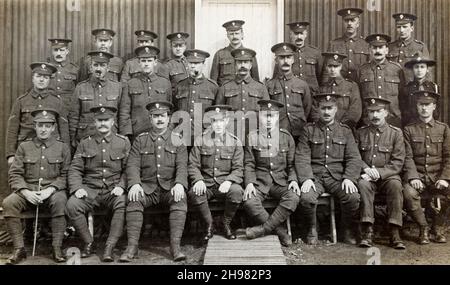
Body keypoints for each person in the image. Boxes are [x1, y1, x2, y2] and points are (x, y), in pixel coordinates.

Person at [120, 101, 188, 262]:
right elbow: (133, 164)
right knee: (134, 199)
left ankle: (175, 247)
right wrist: (135, 183)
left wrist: (179, 183)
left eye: (162, 116)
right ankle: (132, 247)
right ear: (150, 119)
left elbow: (182, 165)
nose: (159, 120)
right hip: (147, 187)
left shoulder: (177, 139)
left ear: (169, 118)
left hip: (168, 188)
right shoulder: (140, 139)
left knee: (180, 198)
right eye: (155, 116)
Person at [3, 108, 71, 264]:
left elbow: (66, 175)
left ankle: (56, 248)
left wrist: (51, 189)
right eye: (40, 125)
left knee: (61, 201)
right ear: (35, 126)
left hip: (52, 191)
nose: (43, 129)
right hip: (28, 190)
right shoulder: (24, 147)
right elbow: (14, 174)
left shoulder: (62, 148)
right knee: (9, 203)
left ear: (53, 127)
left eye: (48, 126)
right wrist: (26, 192)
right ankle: (19, 249)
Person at [65, 105, 130, 262]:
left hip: (113, 190)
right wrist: (77, 188)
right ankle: (89, 242)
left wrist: (121, 186)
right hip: (90, 190)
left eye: (106, 120)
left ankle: (110, 246)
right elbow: (75, 169)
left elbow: (130, 169)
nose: (103, 123)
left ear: (113, 122)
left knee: (123, 203)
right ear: (94, 122)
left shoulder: (123, 142)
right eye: (99, 120)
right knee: (72, 205)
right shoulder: (85, 143)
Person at [295, 93, 361, 245]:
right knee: (306, 197)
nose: (326, 112)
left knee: (352, 197)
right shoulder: (309, 130)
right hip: (315, 176)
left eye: (330, 108)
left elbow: (354, 158)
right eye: (323, 108)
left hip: (337, 177)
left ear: (336, 109)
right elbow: (302, 156)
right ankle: (312, 228)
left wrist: (349, 178)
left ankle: (346, 228)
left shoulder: (345, 131)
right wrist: (306, 179)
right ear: (318, 109)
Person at [243, 99, 300, 246]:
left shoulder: (286, 137)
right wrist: (249, 183)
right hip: (260, 182)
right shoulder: (252, 136)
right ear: (259, 116)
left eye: (272, 116)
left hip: (281, 181)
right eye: (265, 115)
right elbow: (249, 163)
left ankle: (262, 229)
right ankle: (280, 231)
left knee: (293, 197)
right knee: (249, 201)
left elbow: (292, 164)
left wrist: (293, 180)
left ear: (277, 117)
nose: (268, 119)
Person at [188, 105, 244, 241]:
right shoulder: (200, 140)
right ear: (210, 122)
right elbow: (193, 165)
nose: (218, 124)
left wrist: (229, 181)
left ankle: (225, 223)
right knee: (194, 193)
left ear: (226, 122)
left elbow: (239, 168)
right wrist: (198, 180)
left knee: (236, 191)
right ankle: (210, 224)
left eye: (221, 121)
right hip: (206, 183)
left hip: (225, 184)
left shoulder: (235, 142)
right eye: (214, 121)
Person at [356, 97, 406, 249]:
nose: (375, 115)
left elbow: (397, 162)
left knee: (396, 186)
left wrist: (378, 172)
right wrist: (365, 169)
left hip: (388, 176)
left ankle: (394, 231)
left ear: (386, 113)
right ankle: (368, 230)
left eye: (378, 111)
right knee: (363, 185)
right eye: (371, 112)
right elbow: (354, 156)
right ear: (367, 114)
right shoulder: (360, 133)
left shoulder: (396, 133)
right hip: (366, 176)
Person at [402, 91, 450, 243]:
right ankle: (424, 227)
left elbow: (449, 157)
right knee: (408, 193)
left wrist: (444, 178)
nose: (424, 108)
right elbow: (407, 157)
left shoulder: (443, 129)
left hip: (437, 176)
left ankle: (438, 227)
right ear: (416, 106)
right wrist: (413, 177)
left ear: (434, 107)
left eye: (427, 105)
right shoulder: (409, 129)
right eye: (421, 104)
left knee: (447, 192)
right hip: (419, 176)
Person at [6, 62, 69, 166]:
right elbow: (12, 129)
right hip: (25, 149)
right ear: (33, 78)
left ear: (49, 80)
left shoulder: (57, 102)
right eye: (38, 76)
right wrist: (11, 154)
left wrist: (65, 153)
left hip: (51, 150)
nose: (41, 80)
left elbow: (64, 130)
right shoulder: (21, 101)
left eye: (45, 77)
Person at [69, 51, 130, 150]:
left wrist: (123, 138)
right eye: (95, 65)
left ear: (108, 68)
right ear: (90, 68)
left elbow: (123, 115)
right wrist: (73, 138)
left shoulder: (118, 87)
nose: (98, 68)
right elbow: (74, 116)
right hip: (86, 136)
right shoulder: (81, 87)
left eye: (102, 65)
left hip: (111, 137)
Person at [216, 48, 269, 142]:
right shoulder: (225, 87)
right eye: (239, 62)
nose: (242, 65)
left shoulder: (261, 87)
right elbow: (219, 114)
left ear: (251, 65)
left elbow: (266, 114)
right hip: (232, 135)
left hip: (255, 135)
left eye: (246, 62)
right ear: (235, 65)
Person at [122, 46, 172, 141]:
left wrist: (169, 129)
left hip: (160, 131)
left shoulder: (165, 83)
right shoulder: (131, 83)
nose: (146, 64)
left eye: (149, 61)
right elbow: (124, 112)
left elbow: (171, 111)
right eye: (143, 61)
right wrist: (126, 134)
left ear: (155, 62)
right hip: (137, 131)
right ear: (139, 63)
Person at [356, 34, 405, 127]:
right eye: (374, 48)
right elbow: (358, 99)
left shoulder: (397, 69)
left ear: (386, 50)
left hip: (393, 121)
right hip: (369, 122)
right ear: (369, 50)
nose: (377, 51)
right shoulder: (362, 70)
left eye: (381, 47)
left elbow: (403, 98)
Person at [266, 42, 311, 139]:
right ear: (276, 60)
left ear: (293, 60)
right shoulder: (269, 85)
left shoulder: (302, 84)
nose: (285, 61)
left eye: (288, 57)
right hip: (278, 131)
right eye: (281, 58)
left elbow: (307, 108)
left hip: (299, 131)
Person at [173, 49, 218, 143]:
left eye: (197, 63)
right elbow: (174, 111)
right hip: (182, 136)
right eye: (190, 63)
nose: (193, 66)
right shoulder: (180, 86)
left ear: (204, 65)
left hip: (204, 136)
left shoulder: (212, 87)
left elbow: (217, 115)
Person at [274, 21, 321, 95]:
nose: (299, 37)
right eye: (296, 34)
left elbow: (321, 76)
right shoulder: (284, 53)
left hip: (312, 95)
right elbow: (277, 76)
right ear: (290, 35)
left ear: (306, 34)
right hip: (293, 95)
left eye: (301, 33)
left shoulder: (315, 52)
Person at [324, 8, 369, 82]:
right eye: (346, 20)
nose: (349, 23)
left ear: (358, 24)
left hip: (360, 86)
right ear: (343, 23)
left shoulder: (366, 44)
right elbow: (326, 71)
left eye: (353, 20)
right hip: (340, 87)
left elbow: (369, 69)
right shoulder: (334, 44)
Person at [210, 20, 259, 86]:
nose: (234, 36)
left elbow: (255, 80)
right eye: (231, 34)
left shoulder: (250, 54)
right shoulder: (219, 54)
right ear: (227, 35)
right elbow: (213, 82)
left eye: (237, 33)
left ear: (242, 34)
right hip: (225, 93)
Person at [387, 13, 430, 82]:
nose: (401, 30)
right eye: (399, 27)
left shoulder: (420, 47)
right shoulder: (389, 47)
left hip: (411, 88)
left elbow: (426, 74)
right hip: (392, 89)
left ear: (411, 28)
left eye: (404, 27)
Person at [401, 52, 438, 127]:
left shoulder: (434, 87)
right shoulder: (406, 88)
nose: (419, 70)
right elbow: (403, 110)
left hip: (429, 125)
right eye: (416, 67)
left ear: (427, 69)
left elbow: (436, 111)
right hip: (411, 127)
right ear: (412, 69)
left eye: (422, 67)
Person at [47, 38, 79, 114]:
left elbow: (79, 90)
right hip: (49, 108)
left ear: (67, 51)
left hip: (68, 109)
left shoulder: (75, 69)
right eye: (56, 50)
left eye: (62, 50)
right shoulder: (47, 68)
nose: (59, 53)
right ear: (52, 52)